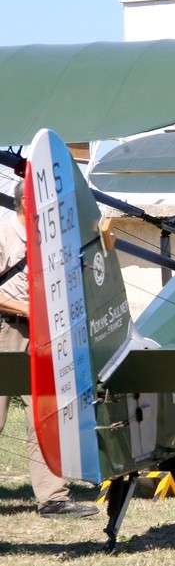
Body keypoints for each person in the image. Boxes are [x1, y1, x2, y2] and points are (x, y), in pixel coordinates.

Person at [0, 182, 97, 518]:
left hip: (44, 335)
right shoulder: (3, 235)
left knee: (45, 416)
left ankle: (53, 498)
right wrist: (30, 311)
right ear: (25, 204)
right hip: (6, 331)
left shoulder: (52, 240)